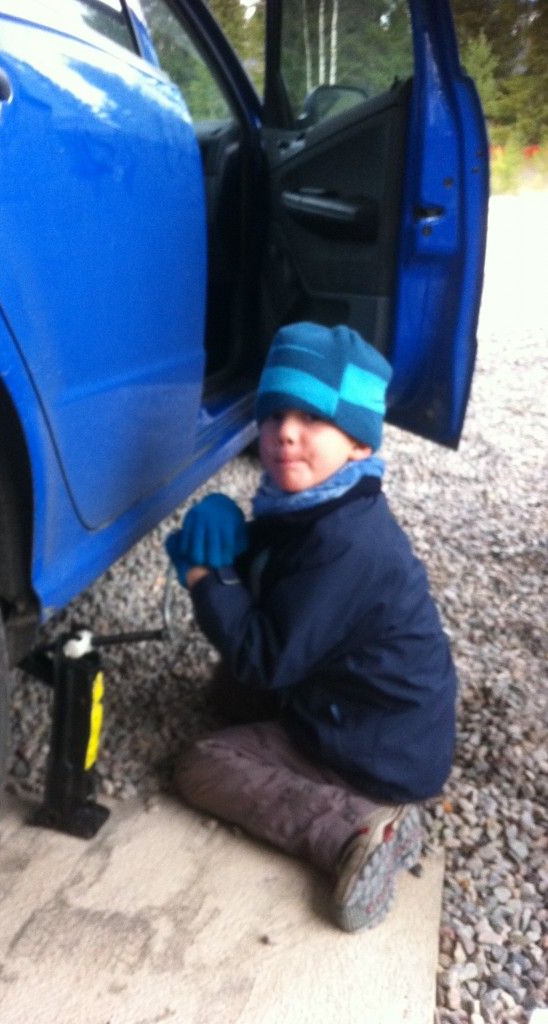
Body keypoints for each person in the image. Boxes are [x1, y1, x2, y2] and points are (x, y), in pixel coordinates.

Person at [165, 321, 457, 932]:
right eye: (274, 415)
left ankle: (354, 832)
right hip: (382, 719)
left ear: (360, 443)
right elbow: (282, 586)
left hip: (378, 749)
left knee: (203, 762)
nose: (285, 434)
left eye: (313, 419)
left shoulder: (346, 544)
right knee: (223, 695)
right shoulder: (317, 505)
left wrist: (207, 576)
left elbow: (263, 657)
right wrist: (239, 543)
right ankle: (354, 799)